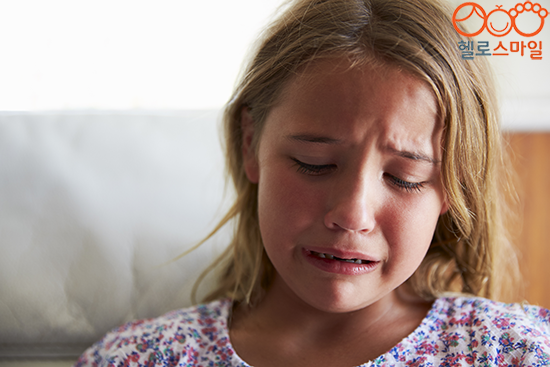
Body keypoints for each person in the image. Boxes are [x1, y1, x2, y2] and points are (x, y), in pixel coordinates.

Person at [74, 0, 550, 366]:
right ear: (250, 143)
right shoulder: (143, 357)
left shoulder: (512, 350)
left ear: (452, 185)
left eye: (404, 178)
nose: (352, 214)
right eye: (314, 163)